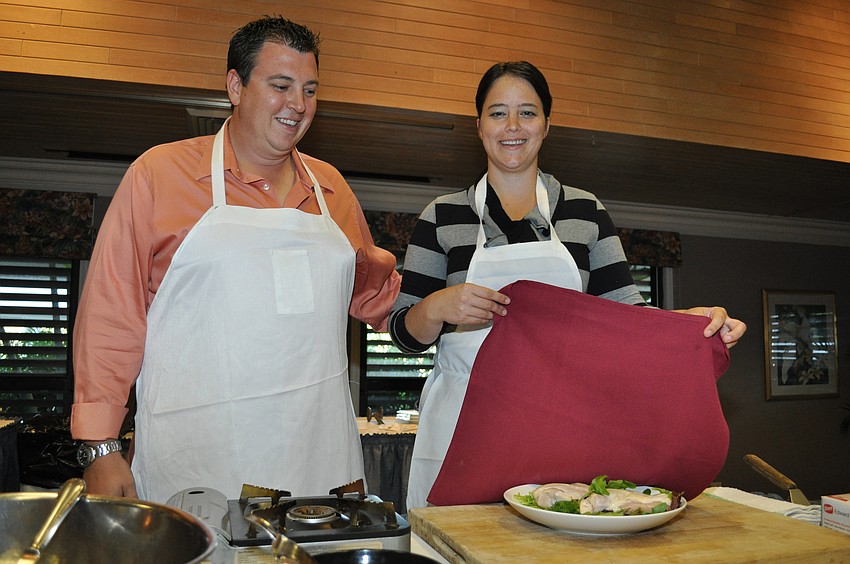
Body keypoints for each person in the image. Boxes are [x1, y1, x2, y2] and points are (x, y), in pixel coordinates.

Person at [388, 61, 747, 510]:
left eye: (528, 112)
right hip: (463, 422)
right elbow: (403, 333)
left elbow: (628, 320)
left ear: (547, 125)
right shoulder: (441, 216)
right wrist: (437, 308)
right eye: (498, 113)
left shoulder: (584, 211)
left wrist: (690, 323)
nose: (512, 126)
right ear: (478, 125)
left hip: (562, 423)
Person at [70, 16, 401, 503]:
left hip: (318, 459)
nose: (298, 104)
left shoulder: (331, 189)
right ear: (235, 86)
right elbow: (111, 315)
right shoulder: (159, 175)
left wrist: (439, 307)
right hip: (199, 460)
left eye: (310, 90)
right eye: (281, 86)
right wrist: (100, 448)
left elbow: (375, 295)